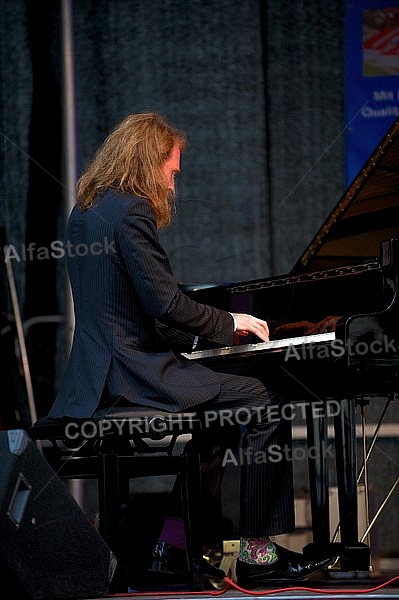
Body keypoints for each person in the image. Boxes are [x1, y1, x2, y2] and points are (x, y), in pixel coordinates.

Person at [44, 112, 334, 588]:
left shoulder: (87, 210)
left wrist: (202, 338)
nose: (173, 185)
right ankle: (256, 555)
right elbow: (164, 301)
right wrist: (229, 323)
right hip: (131, 373)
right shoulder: (133, 210)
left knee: (217, 415)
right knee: (261, 399)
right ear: (149, 161)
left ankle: (173, 545)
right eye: (172, 171)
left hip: (97, 375)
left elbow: (129, 306)